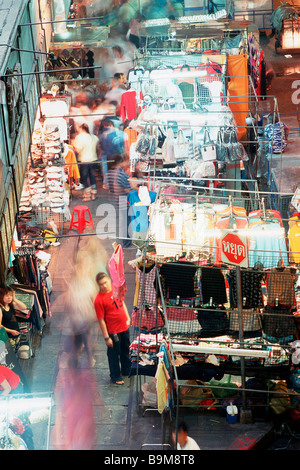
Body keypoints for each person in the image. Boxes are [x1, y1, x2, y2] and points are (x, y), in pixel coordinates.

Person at [94, 272, 131, 385]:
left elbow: (122, 302)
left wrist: (127, 317)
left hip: (124, 327)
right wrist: (106, 337)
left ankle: (126, 370)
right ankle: (115, 375)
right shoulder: (98, 300)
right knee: (114, 354)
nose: (104, 286)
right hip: (113, 331)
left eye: (105, 282)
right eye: (101, 284)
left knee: (125, 350)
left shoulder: (116, 289)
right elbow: (101, 320)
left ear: (109, 280)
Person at [72, 123, 99, 201]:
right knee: (92, 176)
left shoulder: (79, 137)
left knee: (84, 178)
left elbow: (78, 150)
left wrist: (73, 147)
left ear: (81, 129)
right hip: (94, 159)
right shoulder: (94, 137)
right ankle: (93, 194)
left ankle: (87, 195)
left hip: (84, 160)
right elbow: (97, 147)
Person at [98, 118, 129, 182]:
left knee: (106, 169)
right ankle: (118, 181)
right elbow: (126, 146)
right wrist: (126, 155)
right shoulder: (122, 133)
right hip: (119, 154)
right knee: (119, 168)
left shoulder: (104, 134)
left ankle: (107, 183)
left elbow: (100, 146)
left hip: (107, 156)